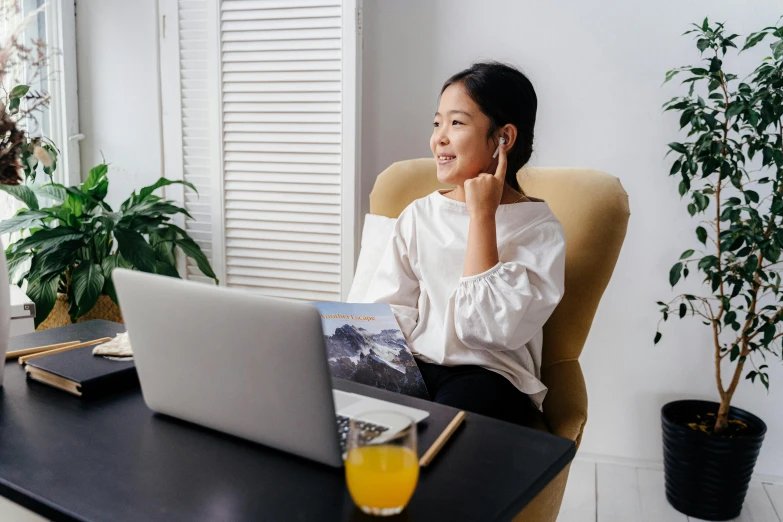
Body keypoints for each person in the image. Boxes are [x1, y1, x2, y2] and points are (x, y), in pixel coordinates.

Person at [364, 61, 566, 426]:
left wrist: (483, 215)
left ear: (503, 138)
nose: (438, 138)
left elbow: (487, 331)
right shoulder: (420, 214)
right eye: (437, 122)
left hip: (489, 377)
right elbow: (391, 308)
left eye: (456, 123)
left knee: (441, 436)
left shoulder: (539, 230)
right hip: (418, 366)